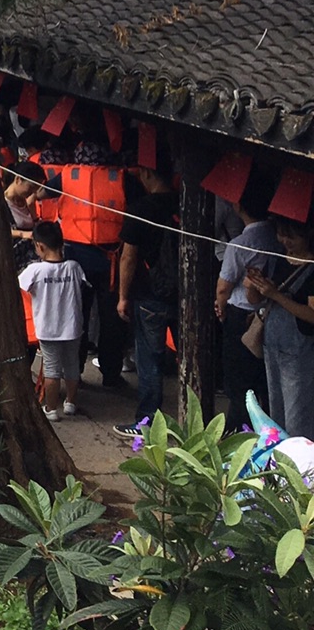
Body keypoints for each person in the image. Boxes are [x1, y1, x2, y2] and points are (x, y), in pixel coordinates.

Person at [113, 160, 180, 437]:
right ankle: (196, 420)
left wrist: (122, 296)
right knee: (188, 359)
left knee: (149, 360)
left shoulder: (141, 209)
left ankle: (147, 421)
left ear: (148, 173)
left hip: (148, 294)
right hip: (185, 295)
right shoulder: (184, 204)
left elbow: (128, 257)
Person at [58, 152, 129, 389]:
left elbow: (40, 193)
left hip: (76, 262)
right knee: (111, 321)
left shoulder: (68, 175)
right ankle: (110, 374)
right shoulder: (121, 178)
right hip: (110, 262)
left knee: (77, 319)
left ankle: (74, 373)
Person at [244, 220, 314, 439]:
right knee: (275, 411)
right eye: (282, 235)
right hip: (272, 343)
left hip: (299, 349)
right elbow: (255, 300)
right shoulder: (275, 259)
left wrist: (276, 295)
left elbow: (311, 314)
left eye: (292, 237)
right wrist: (254, 285)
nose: (286, 242)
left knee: (297, 415)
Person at [215, 187, 277, 418]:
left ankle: (240, 427)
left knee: (239, 380)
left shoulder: (239, 244)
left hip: (241, 314)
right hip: (269, 312)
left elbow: (224, 287)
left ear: (238, 206)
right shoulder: (277, 238)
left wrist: (220, 308)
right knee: (264, 378)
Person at [20, 220, 87, 421]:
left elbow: (20, 287)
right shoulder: (74, 267)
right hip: (73, 327)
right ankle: (71, 403)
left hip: (48, 328)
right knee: (72, 365)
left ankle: (50, 409)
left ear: (39, 246)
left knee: (51, 369)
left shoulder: (35, 271)